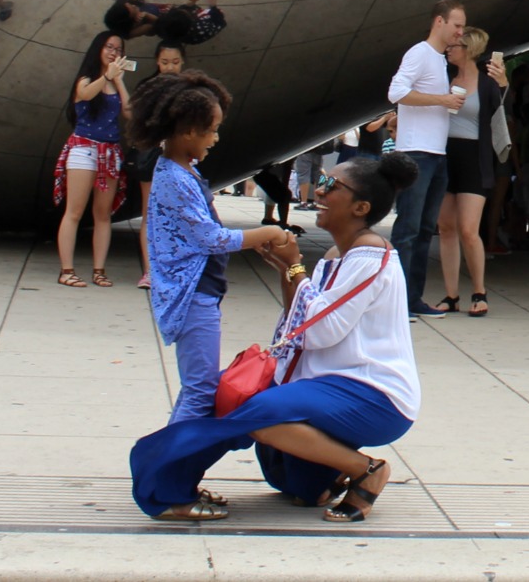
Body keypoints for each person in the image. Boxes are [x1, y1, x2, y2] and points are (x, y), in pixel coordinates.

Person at [129, 152, 421, 523]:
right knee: (294, 482)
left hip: (374, 394)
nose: (319, 190)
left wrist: (296, 267)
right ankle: (323, 473)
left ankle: (367, 469)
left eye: (332, 185)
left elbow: (320, 330)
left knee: (260, 415)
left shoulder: (370, 255)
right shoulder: (338, 254)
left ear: (361, 207)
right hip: (325, 384)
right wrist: (289, 270)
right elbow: (296, 323)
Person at [135, 70, 295, 421]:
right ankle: (170, 471)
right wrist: (268, 233)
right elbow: (212, 238)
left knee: (198, 391)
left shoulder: (180, 171)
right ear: (190, 131)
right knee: (200, 393)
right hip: (192, 297)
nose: (216, 139)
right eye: (212, 130)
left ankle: (170, 468)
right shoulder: (175, 177)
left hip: (199, 293)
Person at [388, 0, 466, 317]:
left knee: (422, 230)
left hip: (436, 153)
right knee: (407, 229)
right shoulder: (420, 53)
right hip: (416, 152)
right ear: (439, 22)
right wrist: (441, 99)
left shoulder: (438, 59)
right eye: (457, 25)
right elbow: (396, 92)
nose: (460, 32)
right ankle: (395, 302)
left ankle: (411, 299)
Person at [435, 28, 507, 317]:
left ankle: (479, 291)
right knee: (446, 228)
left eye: (455, 45)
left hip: (474, 157)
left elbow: (503, 114)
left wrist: (504, 86)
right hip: (443, 154)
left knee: (468, 229)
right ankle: (451, 295)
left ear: (469, 49)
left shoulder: (487, 82)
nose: (449, 49)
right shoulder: (443, 77)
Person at [54, 31, 132, 288]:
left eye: (118, 49)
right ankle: (67, 270)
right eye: (109, 47)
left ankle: (99, 270)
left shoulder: (113, 80)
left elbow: (130, 112)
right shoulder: (86, 79)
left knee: (103, 214)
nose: (113, 52)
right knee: (74, 212)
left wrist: (118, 81)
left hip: (110, 152)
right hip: (84, 149)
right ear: (98, 49)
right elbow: (85, 94)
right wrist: (107, 76)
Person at [130, 41, 188, 290]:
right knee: (151, 214)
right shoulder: (148, 88)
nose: (170, 67)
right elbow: (137, 120)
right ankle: (150, 270)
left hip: (178, 157)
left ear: (183, 61)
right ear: (157, 62)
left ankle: (172, 269)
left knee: (177, 214)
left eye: (175, 62)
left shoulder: (189, 88)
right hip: (153, 155)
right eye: (165, 62)